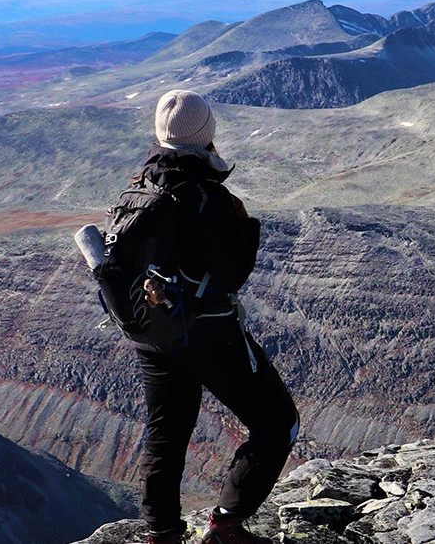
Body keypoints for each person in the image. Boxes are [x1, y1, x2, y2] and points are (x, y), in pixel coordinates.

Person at [112, 90, 298, 544]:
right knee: (277, 424)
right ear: (206, 133)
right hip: (209, 335)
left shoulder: (137, 188)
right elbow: (232, 275)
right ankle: (226, 527)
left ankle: (162, 534)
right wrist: (246, 227)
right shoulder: (207, 197)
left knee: (166, 437)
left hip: (152, 336)